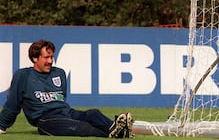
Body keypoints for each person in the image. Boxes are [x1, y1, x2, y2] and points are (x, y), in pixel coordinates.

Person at [0, 39, 134, 138]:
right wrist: (2, 125)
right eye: (46, 57)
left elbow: (62, 97)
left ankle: (117, 128)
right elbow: (13, 103)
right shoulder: (23, 75)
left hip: (65, 112)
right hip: (45, 120)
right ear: (35, 58)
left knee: (93, 113)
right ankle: (118, 133)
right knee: (84, 127)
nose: (50, 61)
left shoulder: (59, 73)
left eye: (52, 57)